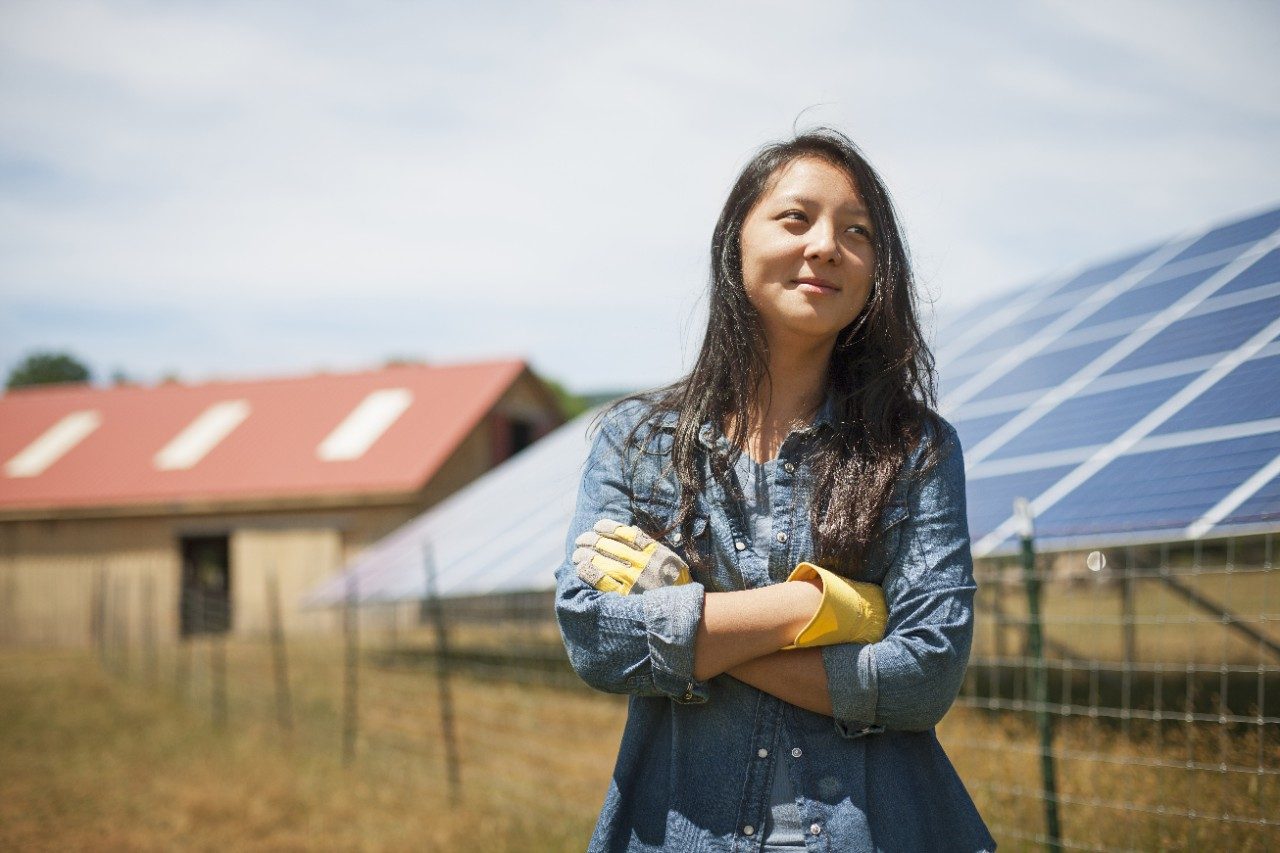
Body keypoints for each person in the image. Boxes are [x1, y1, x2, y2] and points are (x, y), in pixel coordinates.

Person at [554, 128, 995, 852]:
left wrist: (690, 626)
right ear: (735, 241)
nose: (826, 245)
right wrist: (822, 608)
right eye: (796, 218)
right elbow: (594, 638)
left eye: (857, 232)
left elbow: (925, 676)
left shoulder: (915, 449)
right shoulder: (635, 442)